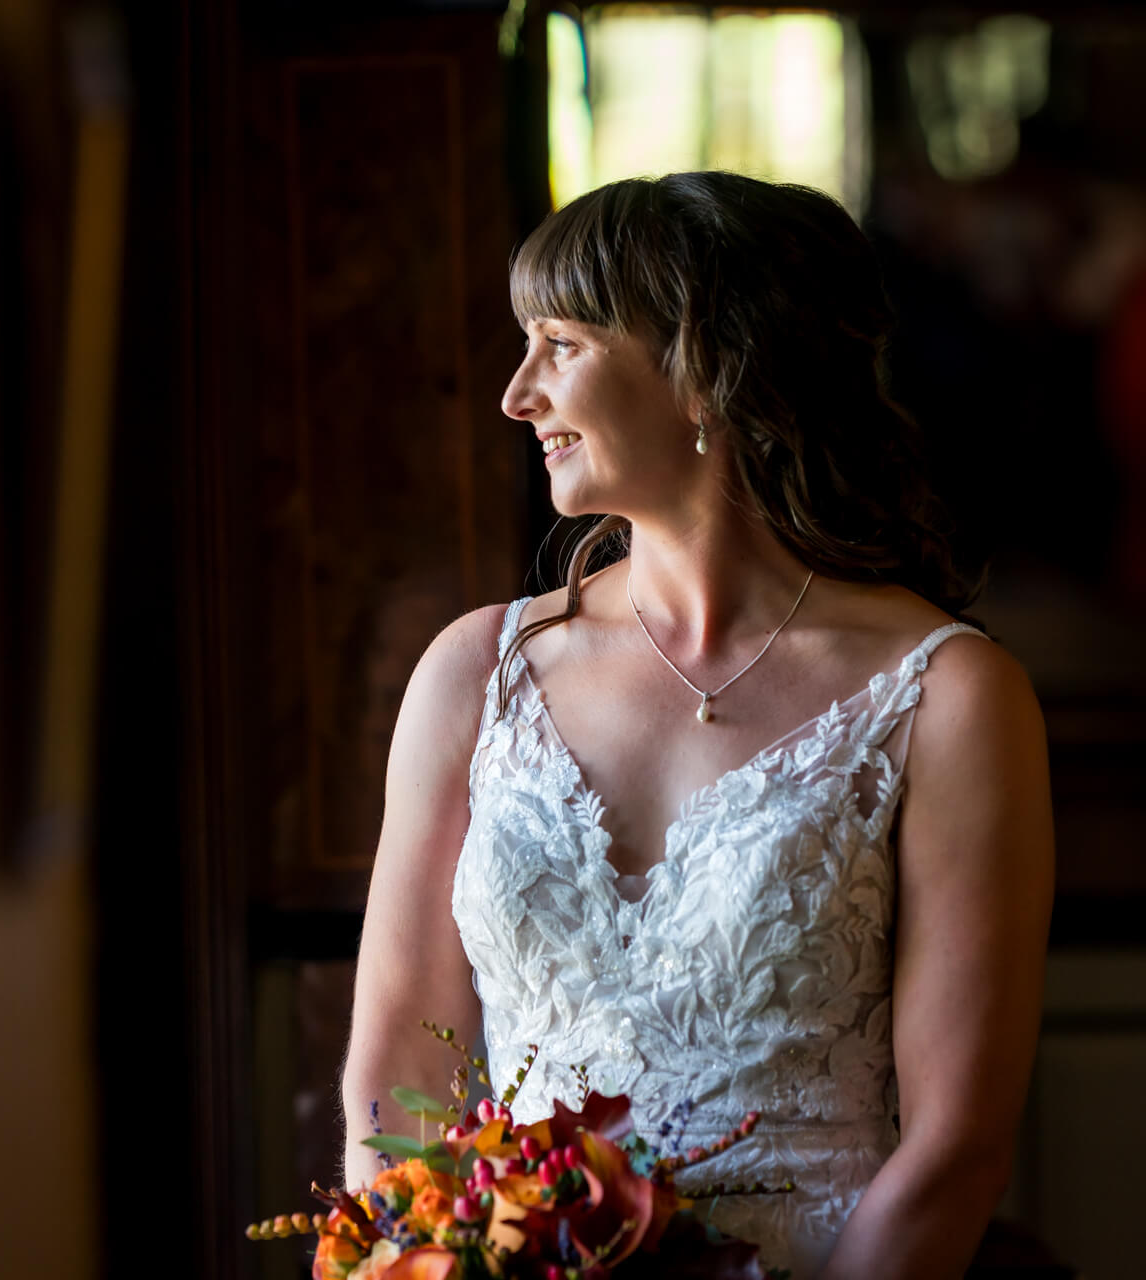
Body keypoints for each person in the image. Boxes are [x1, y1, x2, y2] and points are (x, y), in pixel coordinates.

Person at [341, 172, 1053, 1278]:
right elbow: (395, 1080)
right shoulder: (477, 672)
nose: (516, 393)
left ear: (702, 368)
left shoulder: (948, 696)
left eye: (561, 344)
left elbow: (957, 1145)